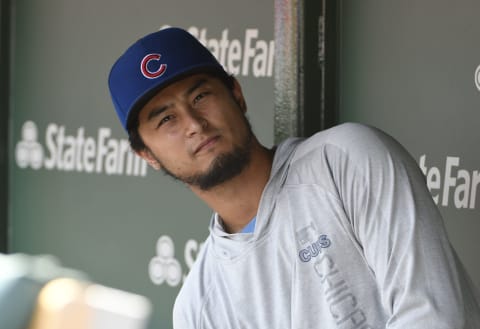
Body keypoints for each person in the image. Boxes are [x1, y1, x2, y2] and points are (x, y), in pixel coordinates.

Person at [108, 27, 480, 328]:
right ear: (147, 154)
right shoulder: (198, 308)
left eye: (201, 96)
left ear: (236, 95)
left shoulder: (344, 160)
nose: (193, 124)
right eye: (166, 119)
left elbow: (437, 317)